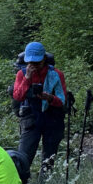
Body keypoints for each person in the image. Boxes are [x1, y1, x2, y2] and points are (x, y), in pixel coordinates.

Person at [12, 41, 68, 173]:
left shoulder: (56, 74)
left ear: (44, 59)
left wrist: (50, 98)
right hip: (31, 116)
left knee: (49, 157)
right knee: (23, 156)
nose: (34, 65)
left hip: (52, 117)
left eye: (37, 62)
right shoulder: (22, 74)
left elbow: (62, 100)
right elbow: (18, 97)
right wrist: (27, 78)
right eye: (31, 62)